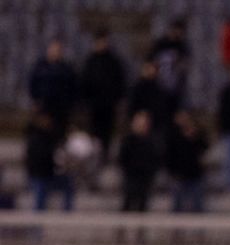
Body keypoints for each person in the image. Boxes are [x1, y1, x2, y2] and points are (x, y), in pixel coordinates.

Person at [81, 32, 129, 165]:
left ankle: (105, 156)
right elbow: (84, 82)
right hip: (94, 104)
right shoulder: (90, 61)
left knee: (107, 131)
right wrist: (85, 101)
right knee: (94, 131)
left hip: (109, 104)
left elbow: (120, 82)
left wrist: (119, 99)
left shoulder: (113, 61)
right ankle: (95, 157)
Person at [25, 110, 72, 211]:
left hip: (50, 173)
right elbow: (36, 158)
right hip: (39, 174)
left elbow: (56, 154)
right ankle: (37, 217)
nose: (47, 122)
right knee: (40, 193)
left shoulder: (52, 136)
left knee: (68, 184)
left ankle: (67, 212)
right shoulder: (34, 137)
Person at [29, 39, 79, 132]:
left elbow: (72, 88)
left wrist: (69, 105)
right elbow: (33, 85)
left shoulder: (66, 69)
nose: (55, 52)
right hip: (44, 106)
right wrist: (36, 100)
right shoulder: (40, 67)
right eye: (53, 50)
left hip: (61, 108)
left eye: (58, 50)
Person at [166, 110, 209, 213]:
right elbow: (169, 155)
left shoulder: (197, 135)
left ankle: (199, 223)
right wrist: (172, 172)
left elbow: (205, 147)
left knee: (198, 205)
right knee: (177, 206)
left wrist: (195, 136)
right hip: (178, 175)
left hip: (195, 174)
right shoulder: (174, 135)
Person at [118, 110, 161, 211]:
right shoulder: (128, 140)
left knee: (143, 202)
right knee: (128, 200)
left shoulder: (152, 141)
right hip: (131, 175)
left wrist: (151, 170)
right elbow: (122, 157)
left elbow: (156, 158)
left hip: (146, 175)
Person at [147, 19, 191, 109]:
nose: (177, 34)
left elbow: (184, 66)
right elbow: (150, 62)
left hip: (175, 86)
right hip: (159, 84)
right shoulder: (160, 44)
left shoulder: (182, 47)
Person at [128, 60, 176, 139]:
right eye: (148, 68)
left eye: (153, 68)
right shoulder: (137, 88)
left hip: (155, 127)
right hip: (139, 125)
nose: (151, 70)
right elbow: (132, 107)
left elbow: (162, 109)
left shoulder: (159, 89)